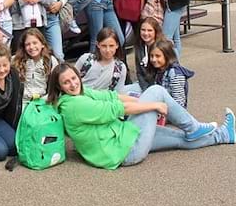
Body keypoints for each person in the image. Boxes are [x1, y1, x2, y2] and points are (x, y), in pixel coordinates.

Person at [47, 63, 234, 169]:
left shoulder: (80, 92)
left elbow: (110, 96)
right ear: (59, 87)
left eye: (73, 78)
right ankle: (193, 127)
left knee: (179, 139)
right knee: (156, 90)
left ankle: (223, 135)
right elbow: (116, 109)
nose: (72, 84)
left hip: (123, 137)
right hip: (124, 152)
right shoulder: (74, 105)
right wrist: (152, 105)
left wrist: (140, 101)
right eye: (66, 82)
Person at [11, 28, 58, 104]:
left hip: (43, 100)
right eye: (27, 44)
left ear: (42, 44)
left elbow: (55, 85)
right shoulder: (15, 60)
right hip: (23, 102)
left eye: (35, 43)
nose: (31, 47)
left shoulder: (51, 60)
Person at [74, 28, 127, 92]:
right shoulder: (86, 59)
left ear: (117, 45)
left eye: (111, 46)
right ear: (98, 45)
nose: (108, 50)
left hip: (101, 100)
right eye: (104, 46)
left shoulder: (120, 68)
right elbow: (72, 77)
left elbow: (118, 92)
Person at [147, 39, 195, 109]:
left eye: (158, 56)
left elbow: (179, 102)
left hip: (172, 113)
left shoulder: (175, 74)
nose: (153, 59)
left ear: (167, 56)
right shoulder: (158, 70)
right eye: (151, 56)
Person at [126, 17, 165, 95]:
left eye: (149, 30)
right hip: (144, 85)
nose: (146, 33)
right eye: (143, 30)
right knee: (122, 91)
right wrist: (145, 89)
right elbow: (139, 72)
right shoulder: (138, 46)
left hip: (160, 87)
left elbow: (164, 73)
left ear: (155, 32)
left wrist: (151, 92)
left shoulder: (162, 47)